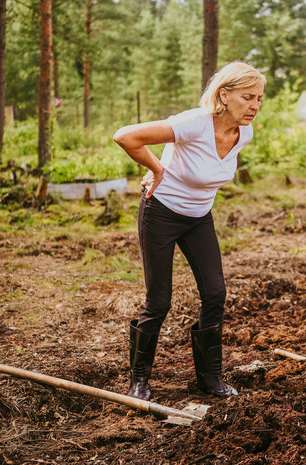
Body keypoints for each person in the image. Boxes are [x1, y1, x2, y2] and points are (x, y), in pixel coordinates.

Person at [113, 62, 265, 400]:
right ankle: (139, 381)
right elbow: (125, 136)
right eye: (247, 97)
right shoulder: (194, 122)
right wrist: (156, 168)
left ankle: (209, 379)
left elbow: (209, 171)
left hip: (199, 219)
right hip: (161, 213)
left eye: (259, 99)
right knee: (159, 300)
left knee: (215, 293)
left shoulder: (245, 133)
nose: (254, 106)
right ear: (224, 95)